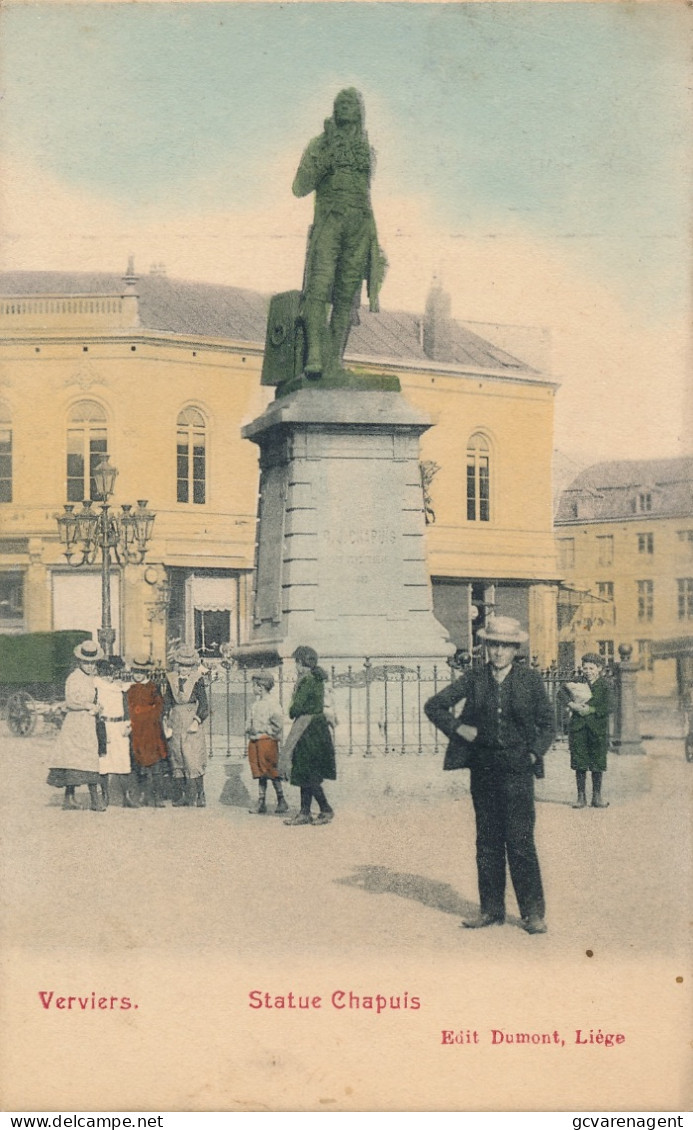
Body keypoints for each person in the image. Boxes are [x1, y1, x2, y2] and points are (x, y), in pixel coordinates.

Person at [425, 616, 555, 935]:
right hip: (483, 772)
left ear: (515, 649)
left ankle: (533, 914)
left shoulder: (530, 681)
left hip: (517, 772)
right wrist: (458, 728)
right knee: (487, 841)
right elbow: (435, 705)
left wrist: (533, 752)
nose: (498, 652)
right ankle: (491, 911)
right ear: (486, 647)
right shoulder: (474, 678)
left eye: (505, 646)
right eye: (493, 645)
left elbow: (549, 725)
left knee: (521, 842)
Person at [292, 88, 386, 379]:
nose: (345, 107)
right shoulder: (319, 144)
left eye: (351, 103)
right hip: (329, 222)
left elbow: (365, 192)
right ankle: (315, 356)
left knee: (347, 295)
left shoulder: (367, 149)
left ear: (359, 111)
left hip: (359, 224)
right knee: (318, 288)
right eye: (340, 103)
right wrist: (325, 161)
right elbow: (299, 187)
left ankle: (335, 359)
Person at [47, 639, 105, 812]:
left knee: (89, 758)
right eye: (86, 663)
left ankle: (85, 799)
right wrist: (89, 706)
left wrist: (98, 706)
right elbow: (71, 701)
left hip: (88, 722)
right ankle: (78, 799)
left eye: (92, 663)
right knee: (75, 759)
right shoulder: (74, 678)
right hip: (75, 722)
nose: (89, 666)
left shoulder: (93, 678)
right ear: (80, 661)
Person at [282, 646, 337, 826]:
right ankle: (304, 812)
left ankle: (325, 809)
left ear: (301, 663)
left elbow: (295, 708)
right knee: (305, 772)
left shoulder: (306, 681)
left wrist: (292, 709)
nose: (295, 667)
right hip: (317, 728)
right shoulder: (317, 678)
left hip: (307, 729)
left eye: (296, 662)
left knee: (307, 772)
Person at [163, 644, 209, 807]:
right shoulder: (171, 679)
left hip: (191, 720)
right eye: (181, 665)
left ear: (193, 666)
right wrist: (165, 721)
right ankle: (182, 795)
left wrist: (197, 720)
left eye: (188, 666)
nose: (184, 669)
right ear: (177, 665)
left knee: (193, 759)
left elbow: (204, 704)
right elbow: (167, 700)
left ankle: (200, 794)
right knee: (178, 758)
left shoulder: (197, 679)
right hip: (175, 720)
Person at [567, 652, 612, 809]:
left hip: (597, 729)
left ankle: (597, 796)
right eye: (585, 668)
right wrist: (572, 704)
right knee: (579, 761)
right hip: (578, 728)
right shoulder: (577, 682)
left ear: (599, 669)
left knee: (597, 761)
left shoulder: (605, 685)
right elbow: (561, 693)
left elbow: (610, 706)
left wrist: (592, 709)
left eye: (591, 668)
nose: (588, 671)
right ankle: (581, 797)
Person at [95, 655, 138, 808]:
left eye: (111, 674)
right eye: (105, 674)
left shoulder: (121, 688)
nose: (108, 677)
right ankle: (105, 795)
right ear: (99, 673)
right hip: (105, 725)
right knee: (104, 762)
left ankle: (126, 796)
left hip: (120, 726)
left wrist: (128, 724)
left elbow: (127, 707)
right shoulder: (97, 687)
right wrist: (99, 728)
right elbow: (95, 711)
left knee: (123, 761)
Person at [127, 654, 168, 808]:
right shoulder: (130, 688)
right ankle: (143, 795)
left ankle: (157, 797)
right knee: (139, 765)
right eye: (135, 671)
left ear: (146, 673)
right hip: (136, 731)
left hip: (151, 730)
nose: (138, 674)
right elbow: (127, 707)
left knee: (155, 765)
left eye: (141, 671)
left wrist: (145, 714)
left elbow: (159, 707)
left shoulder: (152, 687)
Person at [246, 672, 287, 815]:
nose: (252, 687)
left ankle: (281, 800)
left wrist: (265, 730)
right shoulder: (256, 704)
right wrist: (250, 729)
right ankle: (261, 801)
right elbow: (250, 720)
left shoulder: (272, 703)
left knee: (271, 771)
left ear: (261, 687)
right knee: (260, 773)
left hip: (267, 741)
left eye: (254, 685)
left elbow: (278, 724)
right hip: (255, 741)